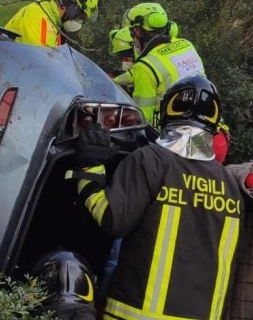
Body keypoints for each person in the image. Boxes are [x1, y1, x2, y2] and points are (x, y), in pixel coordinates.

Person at [69, 75, 244, 319]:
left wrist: (89, 168)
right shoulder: (229, 185)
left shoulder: (149, 160)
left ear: (167, 112)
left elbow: (112, 219)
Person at [123, 2, 205, 126]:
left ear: (137, 31)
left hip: (168, 135)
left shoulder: (145, 66)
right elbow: (164, 69)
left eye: (132, 34)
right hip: (203, 123)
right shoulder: (186, 45)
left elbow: (141, 118)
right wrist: (116, 81)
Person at [4, 0, 99, 47]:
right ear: (72, 8)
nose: (79, 22)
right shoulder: (37, 15)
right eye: (80, 17)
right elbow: (39, 65)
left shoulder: (55, 25)